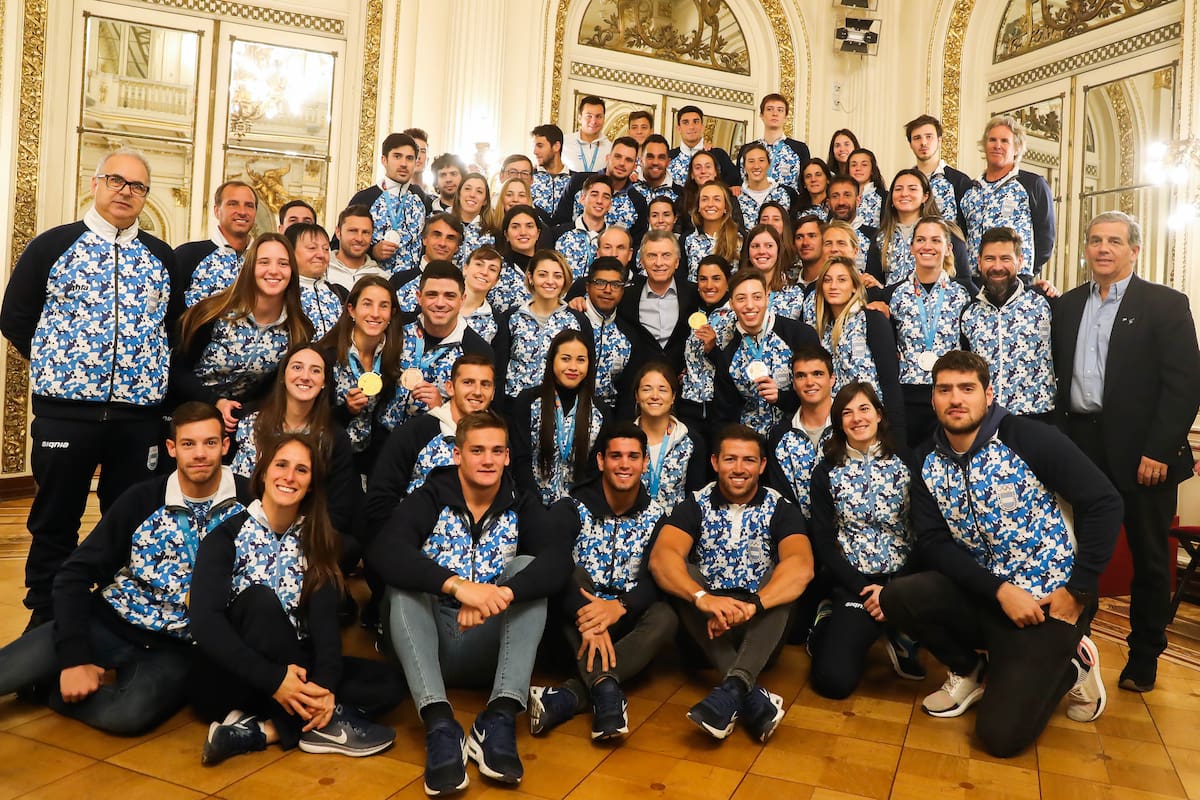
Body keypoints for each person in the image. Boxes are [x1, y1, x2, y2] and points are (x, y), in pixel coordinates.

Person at [880, 350, 1121, 757]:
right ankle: (970, 669)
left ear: (988, 394)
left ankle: (1073, 664)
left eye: (967, 388)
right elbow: (935, 543)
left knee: (1000, 737)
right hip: (988, 594)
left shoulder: (1028, 437)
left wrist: (1078, 590)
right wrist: (999, 591)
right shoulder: (925, 459)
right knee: (897, 596)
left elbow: (1104, 502)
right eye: (945, 390)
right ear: (934, 399)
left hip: (1051, 600)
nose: (956, 398)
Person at [0, 148, 181, 629]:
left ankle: (115, 615)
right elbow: (15, 319)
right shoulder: (52, 246)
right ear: (96, 183)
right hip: (65, 415)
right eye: (117, 181)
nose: (126, 192)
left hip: (137, 419)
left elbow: (172, 329)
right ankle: (46, 618)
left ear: (146, 196)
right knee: (55, 519)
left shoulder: (162, 257)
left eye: (137, 186)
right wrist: (63, 366)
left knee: (130, 520)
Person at [0, 403, 249, 733]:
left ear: (225, 446)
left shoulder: (250, 500)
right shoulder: (142, 498)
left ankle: (44, 690)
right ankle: (54, 674)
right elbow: (75, 573)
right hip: (108, 621)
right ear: (171, 448)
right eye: (188, 444)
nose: (200, 453)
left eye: (210, 443)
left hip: (174, 647)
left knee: (128, 716)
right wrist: (75, 658)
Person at [368, 411, 569, 794]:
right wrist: (459, 587)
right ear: (457, 455)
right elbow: (384, 551)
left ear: (508, 456)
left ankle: (499, 716)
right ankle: (440, 723)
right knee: (403, 584)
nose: (488, 460)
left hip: (488, 646)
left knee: (528, 569)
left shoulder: (521, 502)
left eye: (496, 451)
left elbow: (559, 560)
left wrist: (501, 594)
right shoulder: (429, 497)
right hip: (428, 644)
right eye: (477, 450)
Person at [1053, 211, 1200, 692]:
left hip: (1144, 456)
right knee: (1078, 556)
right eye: (1095, 240)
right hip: (1081, 447)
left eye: (1114, 241)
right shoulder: (1068, 306)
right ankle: (1077, 648)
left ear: (1133, 250)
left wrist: (1159, 449)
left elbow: (1183, 385)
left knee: (1151, 558)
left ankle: (1144, 657)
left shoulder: (1164, 304)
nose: (1102, 249)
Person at [190, 434, 401, 764]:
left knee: (388, 684)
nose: (289, 477)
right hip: (234, 673)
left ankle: (264, 730)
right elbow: (205, 623)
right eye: (281, 465)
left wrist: (325, 686)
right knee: (259, 601)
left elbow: (325, 627)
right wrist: (274, 680)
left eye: (302, 470)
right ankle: (322, 725)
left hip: (297, 670)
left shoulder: (318, 541)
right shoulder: (226, 536)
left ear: (312, 484)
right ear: (263, 473)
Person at [649, 424, 815, 743]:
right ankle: (746, 692)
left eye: (749, 460)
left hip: (759, 632)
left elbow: (802, 566)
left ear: (762, 466)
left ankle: (733, 689)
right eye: (730, 459)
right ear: (715, 462)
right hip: (705, 629)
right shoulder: (694, 504)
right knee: (683, 573)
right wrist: (703, 599)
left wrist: (753, 605)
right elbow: (662, 558)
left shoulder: (781, 507)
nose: (739, 469)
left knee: (781, 578)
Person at [529, 422, 678, 740]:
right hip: (573, 625)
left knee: (666, 616)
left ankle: (569, 696)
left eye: (633, 457)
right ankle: (608, 691)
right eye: (616, 456)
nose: (624, 464)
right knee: (573, 574)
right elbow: (552, 565)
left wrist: (621, 606)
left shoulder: (658, 516)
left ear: (644, 462)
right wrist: (592, 618)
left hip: (625, 623)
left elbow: (658, 578)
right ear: (601, 461)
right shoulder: (570, 508)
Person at [807, 382, 922, 699]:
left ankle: (896, 632)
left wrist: (893, 589)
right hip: (857, 581)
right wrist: (862, 587)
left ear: (879, 415)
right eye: (846, 412)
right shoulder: (826, 472)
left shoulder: (906, 461)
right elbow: (822, 539)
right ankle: (831, 619)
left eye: (864, 409)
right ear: (839, 422)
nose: (856, 418)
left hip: (905, 578)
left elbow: (925, 530)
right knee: (833, 681)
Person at [171, 233, 314, 434]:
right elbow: (177, 370)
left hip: (241, 425)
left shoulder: (299, 329)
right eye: (264, 262)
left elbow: (275, 390)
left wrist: (242, 413)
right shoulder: (212, 313)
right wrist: (215, 402)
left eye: (283, 263)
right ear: (249, 268)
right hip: (188, 418)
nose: (274, 271)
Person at [227, 344, 361, 556]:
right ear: (283, 376)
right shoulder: (252, 422)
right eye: (297, 367)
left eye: (315, 370)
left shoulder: (334, 439)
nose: (305, 376)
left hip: (303, 538)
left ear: (325, 382)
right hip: (245, 527)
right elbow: (233, 486)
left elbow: (338, 512)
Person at [363, 354, 497, 531]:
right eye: (468, 382)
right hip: (413, 543)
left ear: (493, 392)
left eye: (485, 384)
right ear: (450, 388)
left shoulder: (499, 440)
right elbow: (380, 500)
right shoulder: (415, 433)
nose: (478, 392)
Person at [884, 217, 974, 446]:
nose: (927, 246)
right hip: (907, 397)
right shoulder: (893, 295)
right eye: (921, 240)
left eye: (936, 240)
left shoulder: (964, 294)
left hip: (949, 394)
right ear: (912, 247)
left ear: (948, 248)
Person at [381, 260, 493, 431]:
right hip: (381, 438)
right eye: (432, 294)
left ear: (462, 299)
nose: (440, 303)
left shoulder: (477, 350)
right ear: (419, 297)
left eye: (449, 296)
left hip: (437, 445)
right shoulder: (396, 329)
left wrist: (444, 410)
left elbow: (482, 418)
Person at [959, 226, 1055, 418]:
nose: (997, 266)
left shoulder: (1044, 303)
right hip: (985, 421)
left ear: (1019, 262)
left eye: (1005, 259)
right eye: (989, 259)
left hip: (1038, 419)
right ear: (978, 263)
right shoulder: (969, 313)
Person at [714, 269, 820, 433]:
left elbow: (820, 390)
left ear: (767, 296)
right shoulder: (728, 355)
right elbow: (724, 416)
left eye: (757, 297)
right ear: (732, 304)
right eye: (741, 299)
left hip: (798, 436)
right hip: (752, 445)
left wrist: (781, 397)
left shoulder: (799, 335)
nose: (750, 305)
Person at [511, 330, 608, 507]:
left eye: (580, 360)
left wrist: (574, 509)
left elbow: (595, 472)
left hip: (579, 509)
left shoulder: (601, 412)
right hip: (529, 504)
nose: (573, 367)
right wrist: (534, 504)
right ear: (552, 361)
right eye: (565, 358)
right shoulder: (527, 402)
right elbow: (520, 460)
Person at [320, 276, 404, 475]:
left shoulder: (396, 355)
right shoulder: (327, 355)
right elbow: (310, 417)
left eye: (383, 306)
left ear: (391, 314)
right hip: (327, 456)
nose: (375, 314)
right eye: (367, 304)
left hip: (370, 460)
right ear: (351, 310)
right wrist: (346, 410)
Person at [811, 256, 905, 434]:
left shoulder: (871, 318)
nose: (833, 286)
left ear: (854, 286)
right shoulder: (822, 331)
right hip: (839, 423)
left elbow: (889, 380)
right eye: (827, 280)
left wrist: (897, 434)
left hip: (874, 423)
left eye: (842, 280)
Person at [960, 115, 1055, 278]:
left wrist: (1027, 271)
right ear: (984, 145)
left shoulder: (1033, 184)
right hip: (976, 280)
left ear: (1017, 148)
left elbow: (1046, 238)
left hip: (1016, 279)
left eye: (1004, 141)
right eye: (992, 140)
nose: (997, 146)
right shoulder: (970, 189)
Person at [494, 250, 592, 402]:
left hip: (558, 406)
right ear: (530, 277)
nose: (550, 281)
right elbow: (499, 368)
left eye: (557, 276)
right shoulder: (512, 317)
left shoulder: (577, 320)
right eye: (542, 274)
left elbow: (587, 367)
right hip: (513, 405)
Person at [765, 345, 835, 520]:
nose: (809, 382)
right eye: (801, 376)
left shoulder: (849, 426)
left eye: (817, 374)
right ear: (794, 384)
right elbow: (781, 498)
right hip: (799, 534)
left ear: (832, 379)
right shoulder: (780, 436)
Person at [620, 230, 701, 377]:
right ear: (642, 261)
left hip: (682, 388)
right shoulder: (626, 297)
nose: (659, 263)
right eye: (652, 256)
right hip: (639, 385)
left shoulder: (694, 293)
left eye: (666, 255)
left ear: (677, 262)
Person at [347, 132, 430, 275]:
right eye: (397, 156)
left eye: (409, 158)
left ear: (416, 163)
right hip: (373, 281)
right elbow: (340, 243)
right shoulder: (365, 198)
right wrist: (373, 251)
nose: (403, 164)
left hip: (412, 287)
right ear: (384, 160)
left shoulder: (421, 198)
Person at [874, 169, 972, 289]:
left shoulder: (946, 231)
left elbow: (964, 281)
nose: (904, 194)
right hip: (891, 304)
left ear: (925, 196)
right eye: (898, 189)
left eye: (912, 189)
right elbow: (874, 281)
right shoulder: (881, 237)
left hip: (938, 303)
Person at [633, 362, 706, 512]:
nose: (654, 396)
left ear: (673, 397)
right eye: (647, 389)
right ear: (637, 396)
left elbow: (696, 498)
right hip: (630, 529)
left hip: (675, 528)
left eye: (662, 390)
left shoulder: (690, 441)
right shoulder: (623, 439)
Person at [679, 255, 735, 439]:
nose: (709, 285)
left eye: (716, 278)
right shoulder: (694, 311)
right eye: (703, 279)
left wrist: (713, 350)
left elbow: (739, 365)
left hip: (719, 409)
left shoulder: (736, 314)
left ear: (728, 281)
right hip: (689, 405)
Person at [177, 180, 258, 306]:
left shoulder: (263, 260)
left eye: (249, 205)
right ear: (216, 210)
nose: (242, 212)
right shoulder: (188, 255)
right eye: (233, 204)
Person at [553, 137, 648, 244]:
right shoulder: (579, 182)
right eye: (618, 157)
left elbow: (635, 245)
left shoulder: (638, 201)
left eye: (628, 160)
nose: (622, 163)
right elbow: (559, 222)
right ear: (608, 158)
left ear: (634, 166)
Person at [577, 257, 638, 412]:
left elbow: (626, 390)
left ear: (623, 290)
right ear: (587, 286)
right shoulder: (570, 320)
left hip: (607, 415)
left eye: (616, 285)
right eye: (600, 283)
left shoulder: (628, 333)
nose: (608, 290)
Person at [905, 114, 972, 230]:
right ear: (910, 144)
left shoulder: (959, 181)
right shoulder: (904, 182)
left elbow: (968, 227)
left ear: (939, 140)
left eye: (929, 136)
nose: (923, 143)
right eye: (917, 138)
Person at [391, 213, 464, 312]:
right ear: (424, 239)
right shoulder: (399, 281)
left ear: (457, 247)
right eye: (437, 235)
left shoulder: (462, 285)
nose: (442, 243)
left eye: (450, 238)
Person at [740, 93, 811, 189]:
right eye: (769, 109)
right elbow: (739, 182)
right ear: (761, 115)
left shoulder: (799, 149)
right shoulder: (747, 150)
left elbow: (805, 184)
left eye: (780, 110)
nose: (775, 113)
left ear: (786, 117)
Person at [548, 174, 612, 280]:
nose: (599, 201)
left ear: (610, 205)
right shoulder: (558, 233)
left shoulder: (614, 238)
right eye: (594, 195)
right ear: (582, 199)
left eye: (605, 197)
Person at [286, 223, 343, 339]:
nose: (321, 255)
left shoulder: (334, 293)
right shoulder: (283, 291)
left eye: (326, 249)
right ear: (290, 251)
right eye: (312, 248)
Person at [667, 105, 740, 187]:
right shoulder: (669, 157)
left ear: (702, 127)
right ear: (678, 129)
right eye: (686, 122)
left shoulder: (718, 155)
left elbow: (735, 183)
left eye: (695, 122)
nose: (691, 127)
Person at [684, 181, 741, 281]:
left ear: (725, 207)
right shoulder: (687, 239)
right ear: (698, 207)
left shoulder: (740, 238)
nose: (710, 204)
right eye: (705, 199)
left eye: (717, 199)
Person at [490, 205, 541, 313]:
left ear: (538, 233)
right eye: (515, 227)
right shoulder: (494, 267)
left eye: (529, 226)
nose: (523, 232)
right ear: (506, 234)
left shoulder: (550, 267)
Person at [327, 205, 386, 294]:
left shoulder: (382, 278)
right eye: (353, 231)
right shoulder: (321, 271)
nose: (359, 238)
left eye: (365, 232)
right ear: (338, 232)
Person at [737, 142, 799, 224]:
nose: (756, 166)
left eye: (761, 160)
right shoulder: (736, 198)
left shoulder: (786, 194)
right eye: (751, 161)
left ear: (768, 164)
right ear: (744, 166)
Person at [460, 245, 504, 343]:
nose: (484, 272)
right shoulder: (443, 303)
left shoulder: (496, 321)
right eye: (479, 264)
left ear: (496, 281)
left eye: (492, 269)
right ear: (465, 269)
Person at [451, 173, 495, 268]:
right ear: (459, 194)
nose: (472, 195)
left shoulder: (493, 233)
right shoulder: (445, 225)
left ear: (485, 200)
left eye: (479, 191)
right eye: (467, 189)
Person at [530, 123, 573, 216]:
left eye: (540, 146)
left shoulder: (574, 180)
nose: (535, 151)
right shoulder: (529, 178)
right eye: (534, 146)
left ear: (556, 146)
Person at [563, 95, 612, 173]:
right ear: (579, 118)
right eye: (589, 116)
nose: (593, 121)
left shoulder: (611, 148)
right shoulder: (564, 143)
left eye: (599, 116)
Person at [631, 134, 678, 205]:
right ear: (640, 160)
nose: (655, 162)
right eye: (650, 157)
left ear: (668, 162)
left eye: (661, 157)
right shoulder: (628, 187)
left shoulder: (680, 195)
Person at [847, 148, 886, 229]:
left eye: (864, 165)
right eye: (854, 165)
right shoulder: (840, 196)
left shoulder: (884, 197)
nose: (858, 168)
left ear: (872, 170)